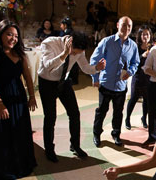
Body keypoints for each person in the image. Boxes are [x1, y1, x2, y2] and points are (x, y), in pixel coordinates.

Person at [37, 33, 105, 161]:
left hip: (64, 81)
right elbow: (48, 66)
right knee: (50, 117)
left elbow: (84, 67)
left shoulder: (78, 50)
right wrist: (64, 54)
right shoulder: (49, 43)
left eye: (77, 53)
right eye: (74, 52)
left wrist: (96, 68)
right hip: (47, 82)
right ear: (70, 41)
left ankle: (75, 145)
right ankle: (49, 149)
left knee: (74, 113)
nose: (74, 55)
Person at [0, 21, 36, 179]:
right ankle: (5, 168)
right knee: (3, 134)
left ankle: (22, 164)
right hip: (0, 98)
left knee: (20, 131)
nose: (13, 39)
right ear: (0, 34)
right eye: (9, 34)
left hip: (19, 98)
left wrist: (32, 96)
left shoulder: (20, 55)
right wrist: (0, 104)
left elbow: (28, 78)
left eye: (16, 36)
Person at [91, 16, 139, 147]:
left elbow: (136, 63)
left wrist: (130, 72)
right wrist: (95, 78)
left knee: (118, 112)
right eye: (124, 25)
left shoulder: (133, 46)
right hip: (106, 83)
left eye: (129, 26)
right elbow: (94, 59)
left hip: (121, 86)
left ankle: (116, 134)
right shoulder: (107, 41)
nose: (126, 29)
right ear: (118, 25)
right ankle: (96, 133)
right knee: (101, 111)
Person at [125, 25, 152, 131]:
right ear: (140, 36)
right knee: (133, 98)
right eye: (143, 34)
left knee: (147, 100)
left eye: (148, 34)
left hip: (148, 77)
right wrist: (142, 56)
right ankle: (127, 118)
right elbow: (132, 63)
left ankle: (144, 118)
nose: (146, 36)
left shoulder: (153, 47)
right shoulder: (135, 47)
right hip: (138, 76)